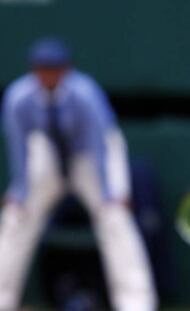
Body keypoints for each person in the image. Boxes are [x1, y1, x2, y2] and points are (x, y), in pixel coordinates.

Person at [0, 37, 158, 311]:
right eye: (42, 68)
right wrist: (20, 190)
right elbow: (19, 147)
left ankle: (136, 303)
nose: (48, 74)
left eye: (54, 68)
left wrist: (112, 192)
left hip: (92, 156)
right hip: (48, 154)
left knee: (115, 217)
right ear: (33, 70)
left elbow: (100, 143)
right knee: (16, 217)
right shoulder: (18, 98)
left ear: (66, 69)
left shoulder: (85, 94)